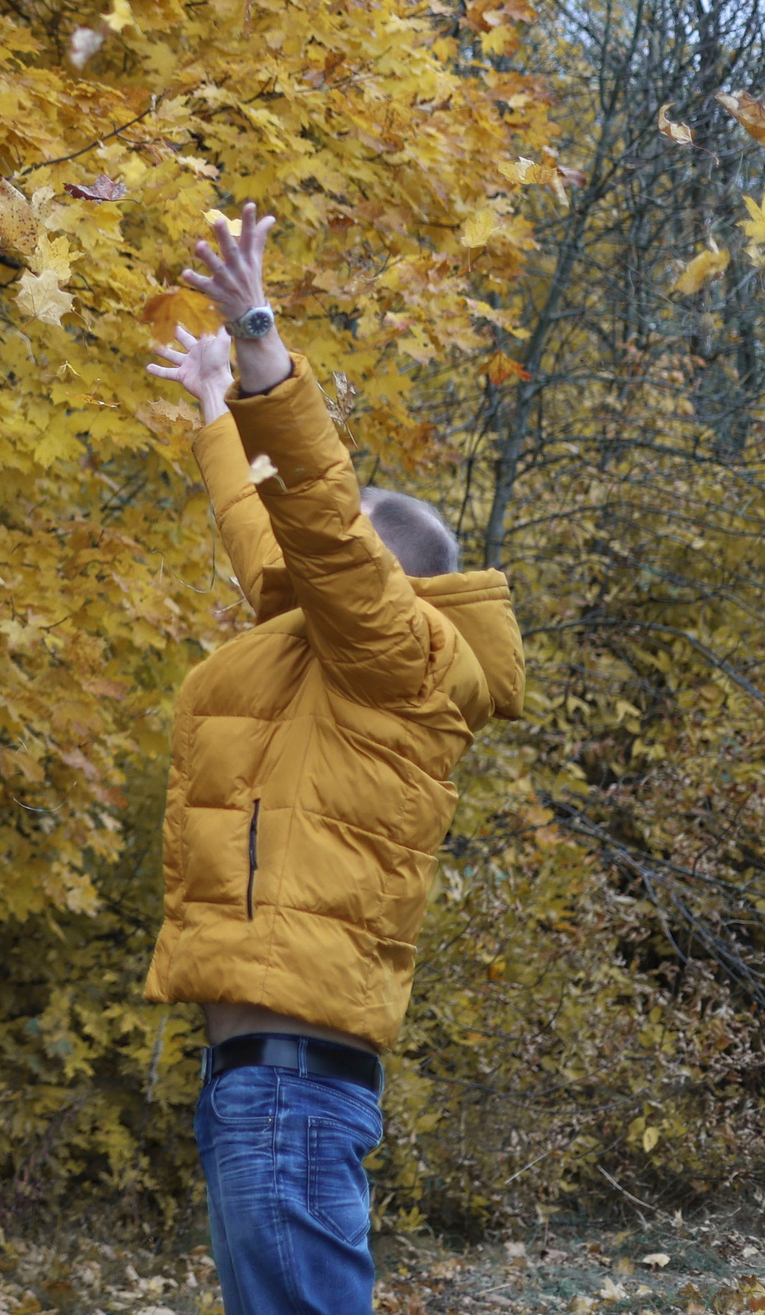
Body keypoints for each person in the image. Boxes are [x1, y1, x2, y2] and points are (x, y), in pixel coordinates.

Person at [143, 204, 525, 1315]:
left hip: (289, 1093)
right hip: (261, 1090)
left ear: (378, 576)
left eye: (347, 544)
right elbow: (271, 547)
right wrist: (217, 413)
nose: (314, 547)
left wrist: (260, 341)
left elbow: (314, 527)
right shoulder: (334, 653)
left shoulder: (402, 657)